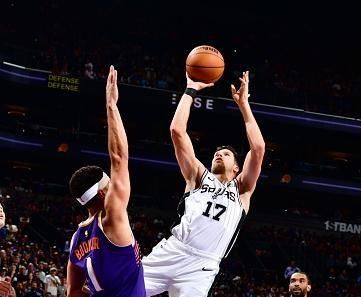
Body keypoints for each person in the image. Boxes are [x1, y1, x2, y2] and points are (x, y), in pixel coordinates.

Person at [142, 71, 265, 296]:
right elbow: (177, 131)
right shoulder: (198, 176)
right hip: (173, 250)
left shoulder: (242, 189)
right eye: (217, 153)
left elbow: (258, 148)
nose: (219, 155)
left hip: (203, 267)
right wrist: (190, 89)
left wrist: (244, 105)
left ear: (237, 167)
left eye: (226, 154)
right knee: (119, 290)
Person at [66, 66, 145, 297]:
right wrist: (112, 106)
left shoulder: (76, 238)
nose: (113, 186)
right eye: (108, 184)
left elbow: (73, 291)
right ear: (102, 194)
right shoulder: (112, 218)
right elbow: (119, 158)